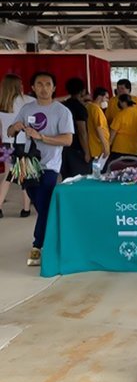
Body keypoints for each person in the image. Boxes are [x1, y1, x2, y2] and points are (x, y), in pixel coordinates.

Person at [7, 71, 73, 266]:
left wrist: (42, 137)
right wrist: (16, 127)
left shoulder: (62, 111)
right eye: (39, 84)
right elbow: (10, 131)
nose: (44, 88)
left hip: (50, 166)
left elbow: (68, 140)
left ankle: (38, 246)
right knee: (41, 205)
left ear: (54, 88)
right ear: (33, 88)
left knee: (44, 206)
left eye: (47, 84)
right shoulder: (27, 109)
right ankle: (56, 237)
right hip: (27, 166)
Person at [0, 73, 33, 218]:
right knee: (24, 175)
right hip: (23, 144)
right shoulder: (26, 101)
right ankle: (25, 208)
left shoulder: (2, 102)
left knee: (8, 175)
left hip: (7, 144)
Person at [61, 77, 91, 179]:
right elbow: (82, 131)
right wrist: (87, 152)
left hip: (63, 147)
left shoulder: (63, 105)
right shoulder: (80, 108)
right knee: (80, 179)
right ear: (82, 91)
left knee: (66, 179)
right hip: (77, 148)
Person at [109, 94, 137, 160]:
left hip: (120, 148)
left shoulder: (120, 114)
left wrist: (108, 145)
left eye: (120, 102)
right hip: (134, 148)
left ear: (123, 102)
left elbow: (113, 131)